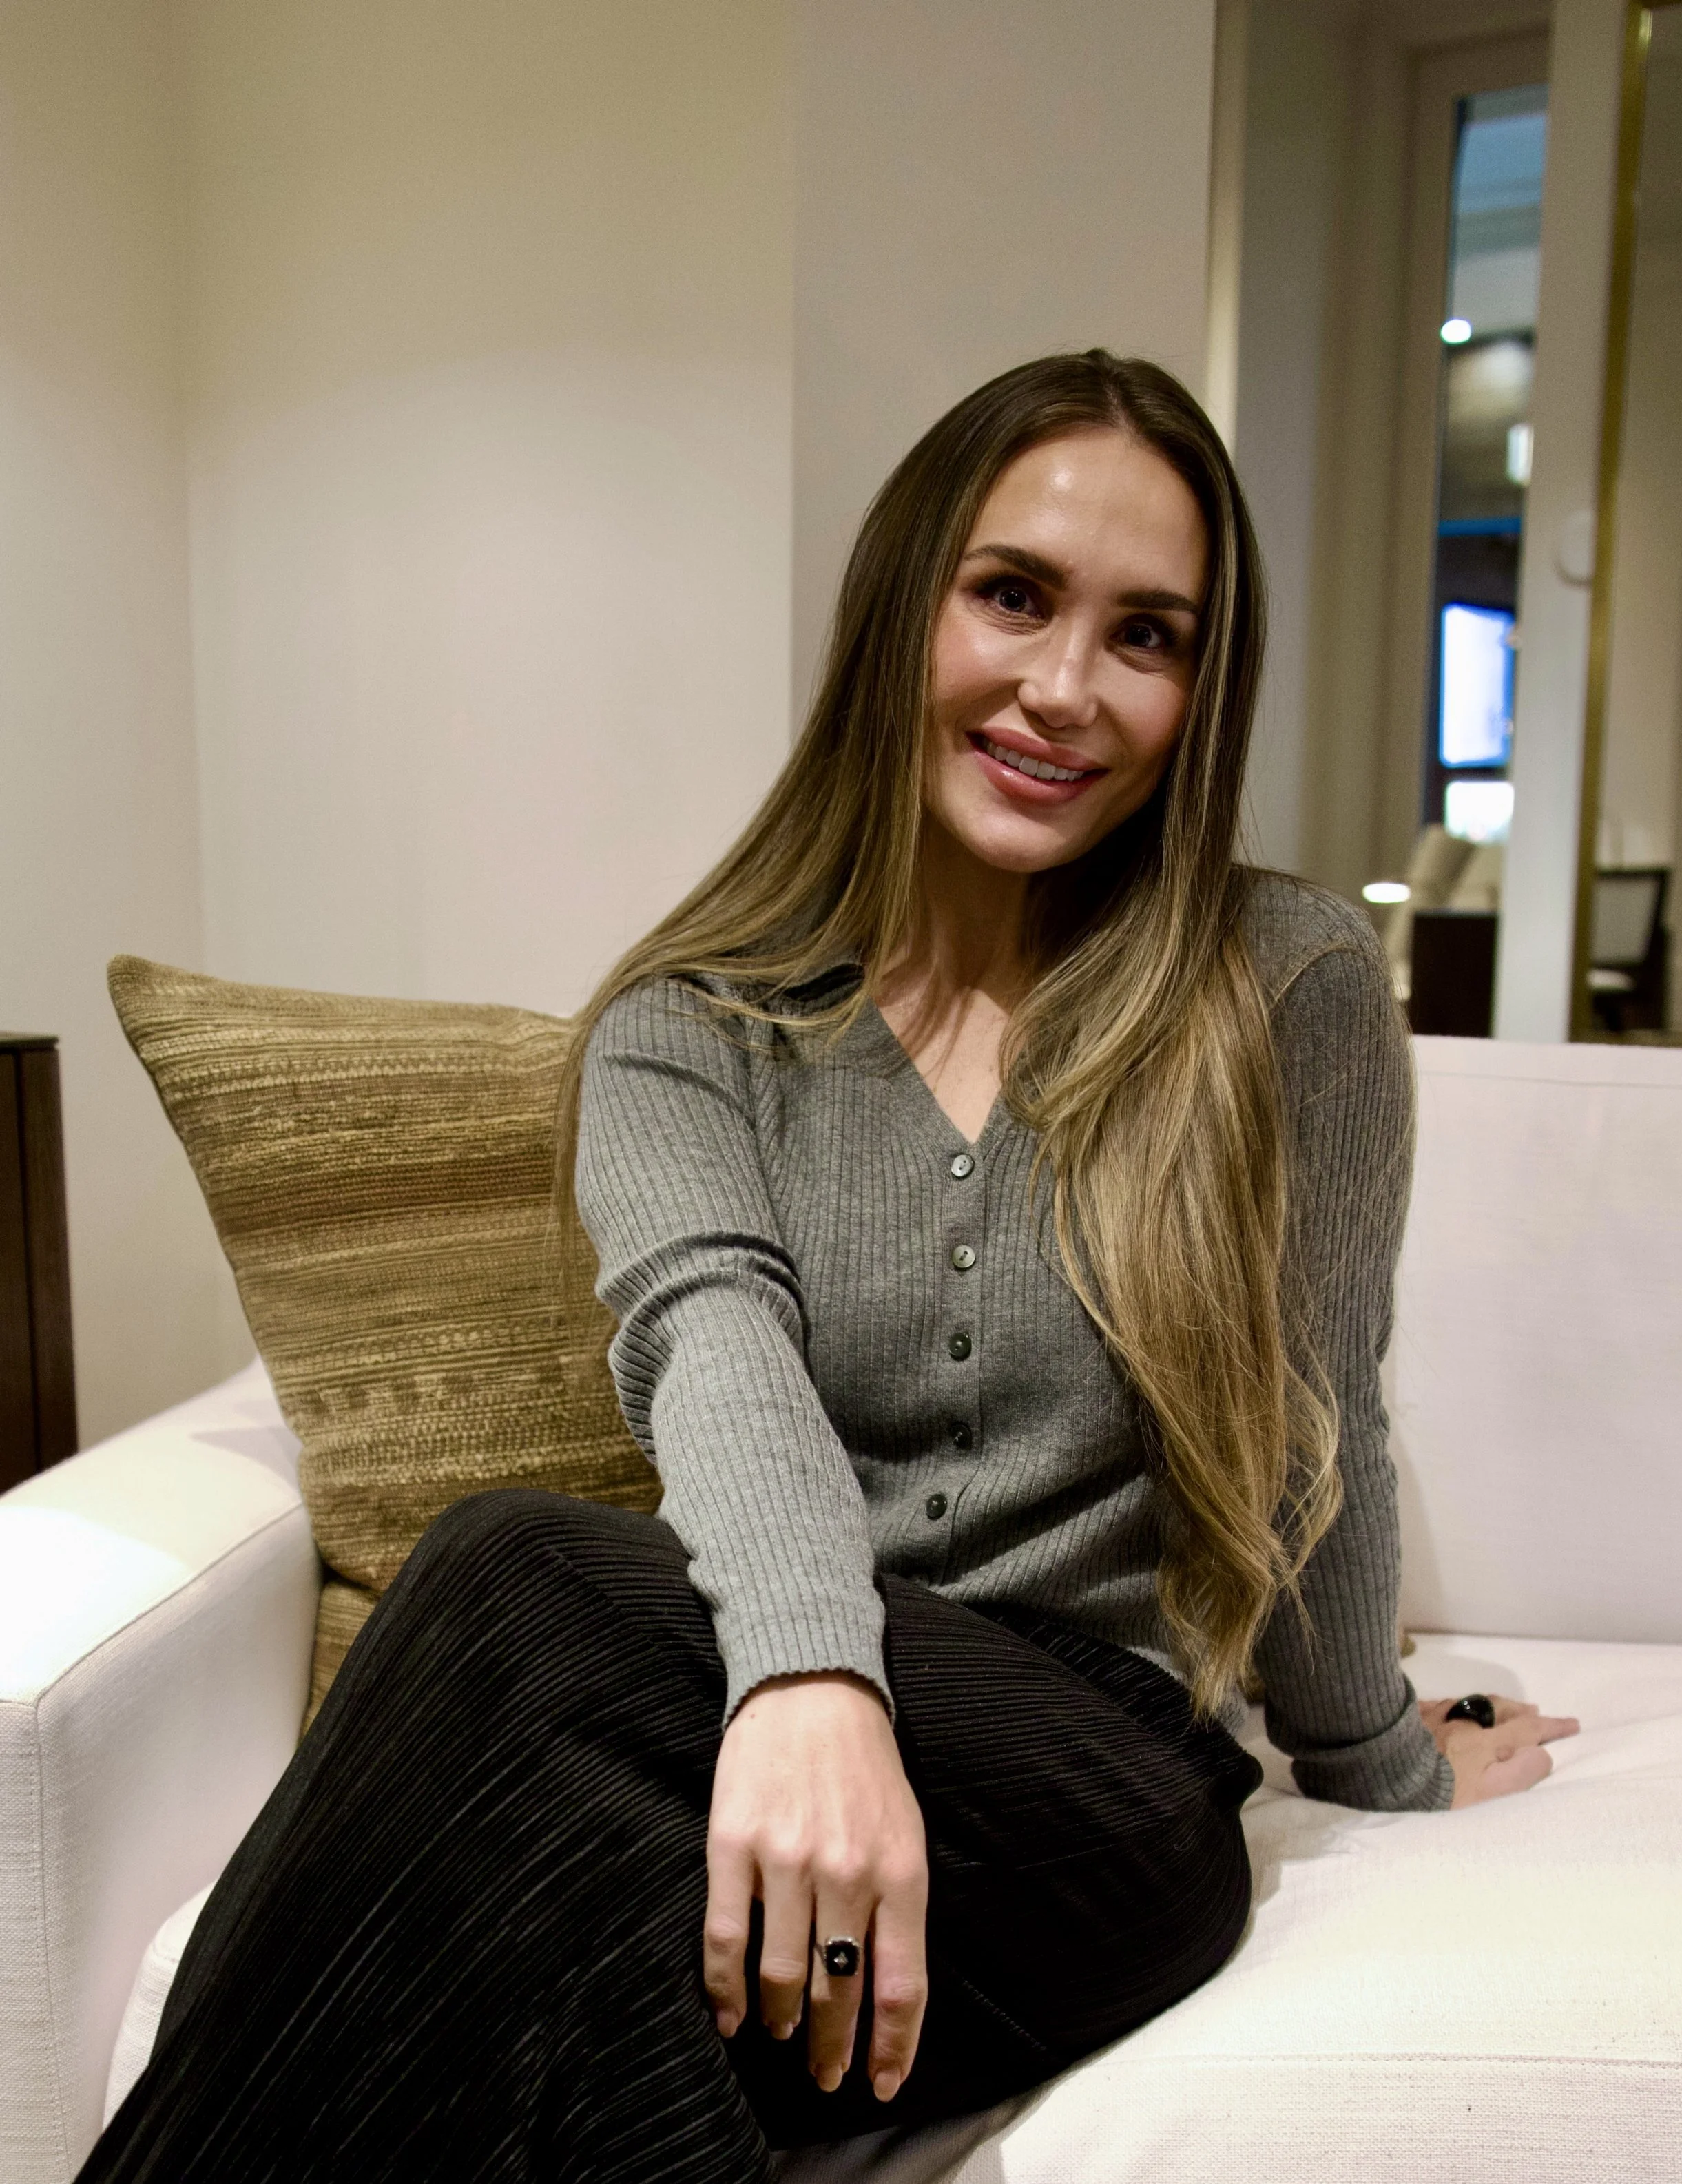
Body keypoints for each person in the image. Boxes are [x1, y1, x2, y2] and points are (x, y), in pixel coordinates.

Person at [80, 352, 1577, 2184]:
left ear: (1202, 690)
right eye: (1011, 595)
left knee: (508, 1576)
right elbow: (715, 1351)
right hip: (761, 1762)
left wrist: (1376, 1752)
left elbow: (1319, 1408)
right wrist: (810, 1686)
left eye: (1147, 635)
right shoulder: (688, 1024)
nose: (1062, 688)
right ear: (901, 607)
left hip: (1086, 1791)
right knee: (559, 1949)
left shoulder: (1282, 984)